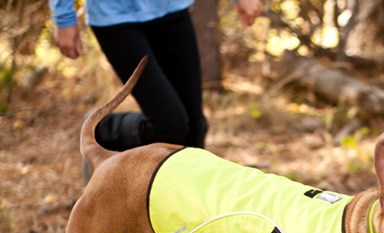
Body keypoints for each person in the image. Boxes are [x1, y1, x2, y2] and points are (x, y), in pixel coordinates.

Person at [49, 0, 262, 151]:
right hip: (115, 18)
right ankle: (100, 129)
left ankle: (179, 208)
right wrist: (64, 16)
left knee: (195, 130)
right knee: (170, 125)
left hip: (171, 9)